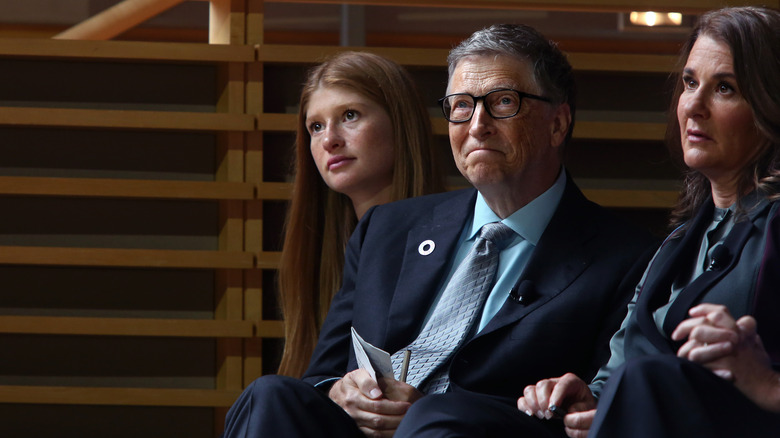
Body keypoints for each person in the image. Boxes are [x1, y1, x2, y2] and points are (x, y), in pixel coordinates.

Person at [221, 24, 654, 438]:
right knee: (270, 394)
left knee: (438, 415)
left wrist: (425, 413)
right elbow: (321, 375)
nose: (477, 125)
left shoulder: (627, 258)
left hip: (476, 430)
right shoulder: (387, 229)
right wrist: (340, 391)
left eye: (503, 102)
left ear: (558, 124)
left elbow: (600, 409)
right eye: (462, 106)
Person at [517, 6, 780, 438]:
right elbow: (620, 370)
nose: (693, 105)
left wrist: (767, 384)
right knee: (449, 415)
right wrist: (592, 401)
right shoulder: (677, 243)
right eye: (690, 82)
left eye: (726, 88)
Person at [276, 51, 445, 378]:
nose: (329, 140)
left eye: (350, 115)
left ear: (400, 123)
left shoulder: (465, 239)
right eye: (316, 126)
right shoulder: (317, 258)